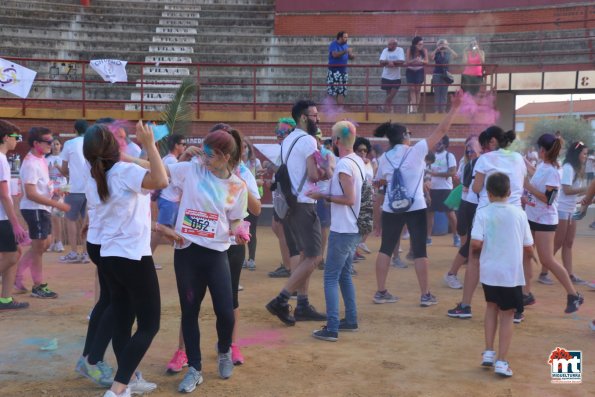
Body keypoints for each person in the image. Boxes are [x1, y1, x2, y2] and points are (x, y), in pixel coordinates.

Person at [84, 121, 168, 397]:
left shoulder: (95, 176)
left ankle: (126, 380)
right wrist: (150, 145)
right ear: (114, 148)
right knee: (148, 325)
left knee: (123, 321)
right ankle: (119, 388)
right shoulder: (124, 172)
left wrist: (141, 151)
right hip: (132, 257)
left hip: (109, 256)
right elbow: (161, 180)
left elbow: (152, 174)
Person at [167, 129, 248, 393]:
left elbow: (235, 217)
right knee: (189, 311)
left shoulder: (237, 186)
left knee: (225, 310)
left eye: (210, 155)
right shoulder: (192, 170)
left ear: (225, 157)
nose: (205, 159)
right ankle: (195, 368)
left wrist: (238, 228)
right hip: (187, 252)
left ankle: (224, 350)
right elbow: (160, 172)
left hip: (216, 253)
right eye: (203, 152)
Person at [372, 91, 462, 306]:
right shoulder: (416, 150)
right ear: (405, 136)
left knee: (385, 248)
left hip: (392, 207)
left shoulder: (384, 157)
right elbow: (442, 130)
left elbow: (378, 184)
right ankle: (425, 294)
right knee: (420, 250)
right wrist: (454, 107)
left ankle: (381, 291)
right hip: (415, 206)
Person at [447, 126, 524, 320]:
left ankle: (465, 306)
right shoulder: (518, 158)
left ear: (491, 142)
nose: (483, 148)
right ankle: (516, 310)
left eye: (484, 144)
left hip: (488, 215)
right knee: (513, 259)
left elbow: (477, 187)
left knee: (474, 259)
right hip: (513, 215)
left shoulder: (485, 159)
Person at [266, 100, 328, 326]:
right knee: (314, 257)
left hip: (290, 203)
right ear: (303, 117)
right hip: (305, 202)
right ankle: (282, 299)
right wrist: (326, 170)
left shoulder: (288, 140)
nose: (317, 119)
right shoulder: (309, 140)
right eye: (314, 115)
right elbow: (313, 175)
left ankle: (302, 304)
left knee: (304, 255)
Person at [472, 172, 534, 377]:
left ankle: (488, 352)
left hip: (489, 272)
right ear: (509, 192)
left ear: (488, 194)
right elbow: (528, 246)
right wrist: (530, 256)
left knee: (491, 307)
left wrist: (480, 253)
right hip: (510, 274)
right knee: (507, 315)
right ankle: (502, 361)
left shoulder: (483, 212)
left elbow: (475, 243)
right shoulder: (519, 214)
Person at [307, 121, 364, 341]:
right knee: (343, 275)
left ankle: (332, 327)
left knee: (331, 277)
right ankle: (349, 319)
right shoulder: (356, 161)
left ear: (338, 141)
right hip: (353, 227)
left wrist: (323, 196)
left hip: (344, 228)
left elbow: (349, 198)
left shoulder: (344, 165)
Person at [523, 133, 584, 314]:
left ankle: (573, 295)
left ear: (542, 150)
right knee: (526, 254)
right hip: (532, 217)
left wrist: (527, 187)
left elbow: (548, 199)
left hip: (545, 221)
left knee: (547, 259)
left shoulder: (552, 171)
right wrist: (522, 162)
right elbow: (536, 174)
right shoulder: (544, 166)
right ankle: (526, 293)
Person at [14, 127, 70, 299]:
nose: (51, 145)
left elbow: (40, 187)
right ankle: (37, 285)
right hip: (34, 209)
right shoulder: (31, 163)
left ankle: (18, 275)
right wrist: (56, 204)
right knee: (39, 248)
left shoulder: (41, 160)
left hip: (41, 208)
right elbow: (30, 193)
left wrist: (55, 192)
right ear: (36, 143)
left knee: (44, 245)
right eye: (48, 142)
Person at [539, 142, 589, 285]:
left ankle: (570, 274)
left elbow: (571, 192)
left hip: (570, 210)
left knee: (569, 242)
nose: (585, 156)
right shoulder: (567, 168)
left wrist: (583, 198)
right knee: (558, 242)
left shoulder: (576, 168)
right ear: (576, 153)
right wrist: (586, 190)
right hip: (562, 209)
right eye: (584, 153)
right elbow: (566, 190)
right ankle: (543, 273)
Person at [444, 134, 483, 289]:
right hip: (470, 205)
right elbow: (469, 185)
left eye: (472, 149)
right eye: (468, 150)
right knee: (470, 244)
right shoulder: (470, 164)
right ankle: (451, 274)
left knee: (478, 244)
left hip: (476, 206)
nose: (469, 153)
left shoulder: (479, 162)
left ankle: (481, 275)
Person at [0, 121, 29, 311]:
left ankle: (5, 298)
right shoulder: (1, 159)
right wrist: (16, 223)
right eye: (15, 137)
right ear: (5, 137)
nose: (17, 141)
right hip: (2, 217)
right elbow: (4, 194)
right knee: (12, 256)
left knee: (13, 253)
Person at [150, 133, 187, 269]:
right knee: (161, 231)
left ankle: (183, 254)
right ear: (176, 145)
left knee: (167, 230)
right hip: (169, 200)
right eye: (183, 144)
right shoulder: (172, 162)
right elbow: (179, 183)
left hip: (168, 199)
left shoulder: (168, 159)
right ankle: (147, 259)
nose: (184, 147)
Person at [267, 118, 296, 278]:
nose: (279, 134)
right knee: (277, 227)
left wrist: (269, 166)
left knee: (281, 228)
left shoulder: (288, 149)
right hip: (281, 193)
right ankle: (288, 263)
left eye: (283, 132)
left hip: (285, 195)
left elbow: (285, 171)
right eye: (278, 132)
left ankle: (289, 265)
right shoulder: (283, 149)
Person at [59, 119, 91, 264]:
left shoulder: (69, 144)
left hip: (75, 188)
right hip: (90, 189)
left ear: (75, 130)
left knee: (71, 220)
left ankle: (73, 252)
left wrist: (61, 170)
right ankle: (85, 253)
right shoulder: (92, 143)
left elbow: (64, 169)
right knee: (87, 221)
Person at [426, 135, 458, 247]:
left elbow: (453, 172)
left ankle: (456, 237)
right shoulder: (432, 156)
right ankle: (428, 238)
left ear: (445, 144)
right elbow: (428, 173)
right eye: (436, 143)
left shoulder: (450, 156)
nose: (437, 145)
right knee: (429, 214)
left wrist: (436, 174)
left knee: (450, 213)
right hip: (432, 189)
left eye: (439, 143)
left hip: (445, 189)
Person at [241, 137, 263, 271]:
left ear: (249, 148)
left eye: (245, 146)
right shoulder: (234, 163)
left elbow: (261, 181)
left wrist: (252, 181)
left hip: (252, 200)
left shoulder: (255, 162)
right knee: (240, 228)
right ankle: (242, 258)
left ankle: (251, 258)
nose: (243, 150)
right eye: (241, 147)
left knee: (252, 231)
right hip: (239, 201)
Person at [353, 137, 375, 254]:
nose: (362, 152)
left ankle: (356, 249)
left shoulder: (369, 164)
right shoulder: (353, 163)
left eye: (365, 150)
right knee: (356, 226)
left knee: (366, 226)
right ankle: (353, 252)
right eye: (359, 150)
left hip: (368, 198)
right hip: (356, 199)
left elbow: (371, 180)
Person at [46, 136, 67, 253]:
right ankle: (52, 242)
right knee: (50, 217)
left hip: (61, 190)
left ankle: (59, 242)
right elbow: (44, 177)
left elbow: (67, 176)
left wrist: (62, 192)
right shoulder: (46, 159)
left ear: (61, 146)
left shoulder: (64, 159)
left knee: (57, 216)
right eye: (53, 144)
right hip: (49, 192)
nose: (55, 146)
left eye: (57, 144)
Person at [327, 31, 354, 107]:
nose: (346, 39)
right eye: (345, 37)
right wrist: (346, 51)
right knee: (332, 91)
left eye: (347, 37)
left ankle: (340, 110)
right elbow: (335, 55)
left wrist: (352, 55)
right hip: (334, 71)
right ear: (340, 38)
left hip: (343, 72)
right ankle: (330, 109)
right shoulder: (333, 44)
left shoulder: (346, 45)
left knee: (342, 91)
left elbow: (350, 57)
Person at [431, 39, 458, 113]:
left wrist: (448, 48)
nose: (442, 46)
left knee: (444, 92)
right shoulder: (436, 53)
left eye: (444, 44)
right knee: (437, 93)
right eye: (441, 44)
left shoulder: (448, 53)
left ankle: (443, 109)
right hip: (437, 74)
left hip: (445, 74)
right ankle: (436, 110)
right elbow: (431, 57)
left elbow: (456, 56)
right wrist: (437, 49)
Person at [379, 39, 405, 113]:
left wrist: (392, 62)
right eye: (388, 44)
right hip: (386, 76)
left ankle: (383, 105)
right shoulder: (385, 50)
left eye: (390, 45)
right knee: (388, 94)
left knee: (392, 94)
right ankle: (390, 110)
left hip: (396, 77)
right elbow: (381, 62)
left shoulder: (400, 50)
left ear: (395, 45)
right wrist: (389, 62)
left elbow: (402, 61)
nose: (388, 46)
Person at [405, 36, 428, 113]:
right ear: (415, 44)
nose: (421, 46)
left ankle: (416, 109)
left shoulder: (424, 50)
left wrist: (421, 60)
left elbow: (427, 61)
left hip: (419, 70)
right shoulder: (409, 50)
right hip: (410, 70)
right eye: (419, 44)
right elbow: (407, 62)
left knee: (418, 90)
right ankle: (414, 109)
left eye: (422, 44)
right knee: (412, 90)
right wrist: (414, 60)